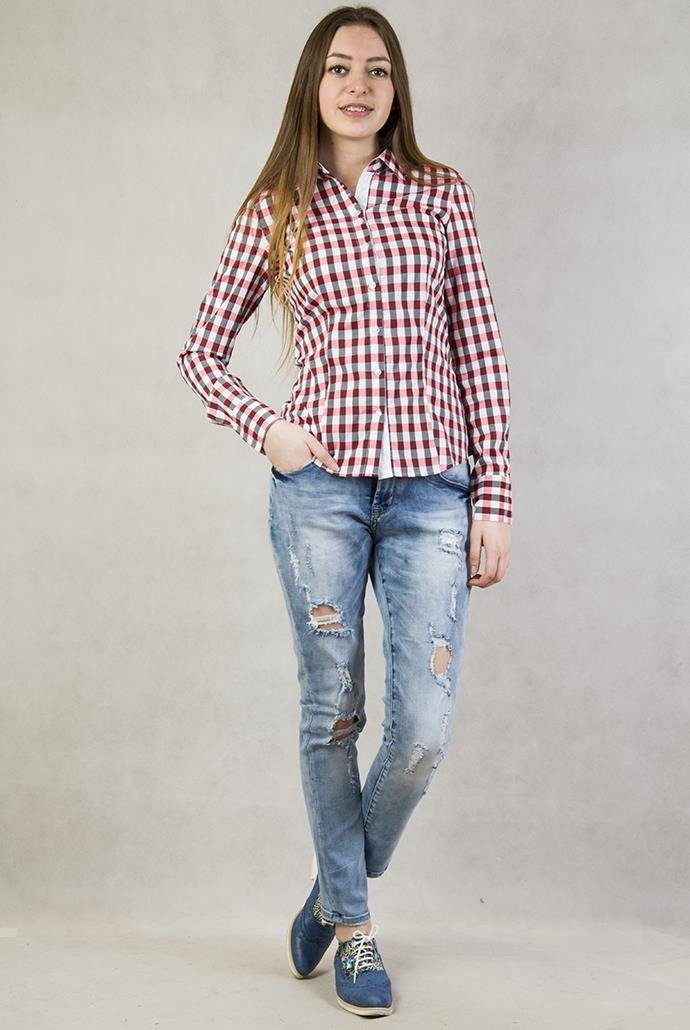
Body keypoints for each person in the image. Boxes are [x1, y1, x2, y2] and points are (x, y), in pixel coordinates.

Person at [176, 5, 512, 1018]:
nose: (358, 85)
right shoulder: (276, 207)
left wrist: (494, 495)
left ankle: (332, 887)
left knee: (420, 733)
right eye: (338, 68)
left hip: (432, 491)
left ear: (397, 88)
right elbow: (200, 350)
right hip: (319, 493)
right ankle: (357, 930)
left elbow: (480, 349)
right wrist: (267, 428)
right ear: (311, 85)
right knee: (333, 713)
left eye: (376, 69)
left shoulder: (440, 197)